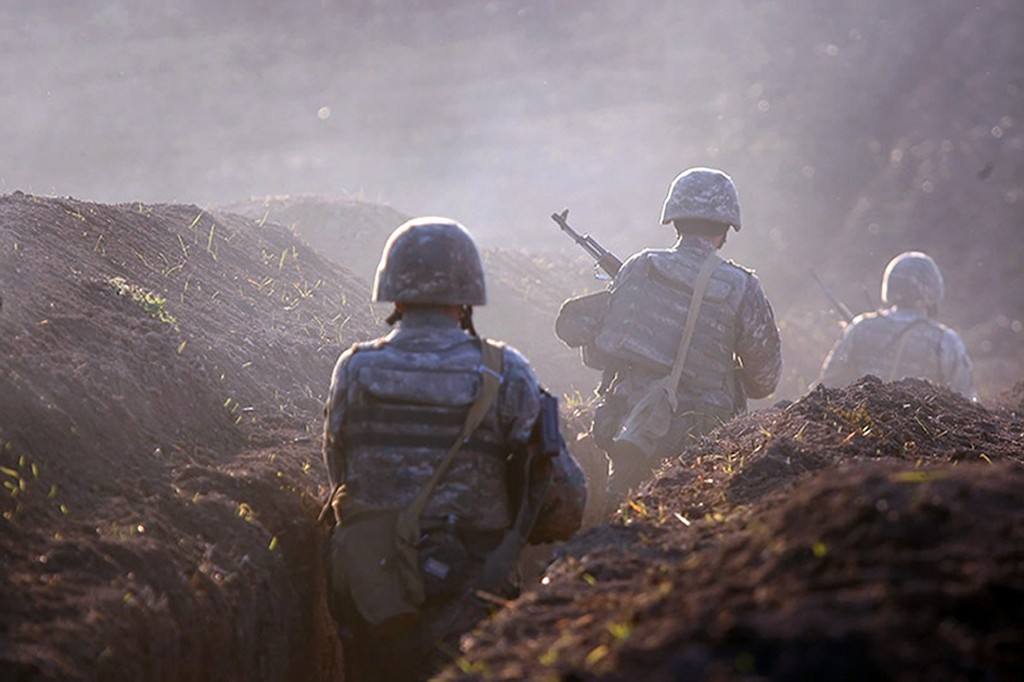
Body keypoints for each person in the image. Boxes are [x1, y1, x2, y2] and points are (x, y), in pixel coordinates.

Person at [321, 217, 586, 681]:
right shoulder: (506, 373)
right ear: (466, 298)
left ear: (395, 294)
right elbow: (562, 493)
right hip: (473, 594)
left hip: (374, 594)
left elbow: (338, 470)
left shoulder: (355, 370)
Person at [558, 167, 782, 510]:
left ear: (674, 219)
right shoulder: (742, 286)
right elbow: (764, 379)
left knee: (616, 517)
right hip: (705, 442)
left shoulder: (638, 267)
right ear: (726, 228)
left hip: (633, 429)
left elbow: (600, 356)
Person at [818, 250, 977, 400]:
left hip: (861, 425)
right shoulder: (946, 341)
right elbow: (967, 404)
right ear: (932, 288)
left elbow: (825, 388)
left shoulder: (860, 327)